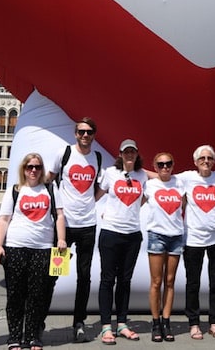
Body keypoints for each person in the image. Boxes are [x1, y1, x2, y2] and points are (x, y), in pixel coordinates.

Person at [0, 152, 67, 350]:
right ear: (24, 170)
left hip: (42, 249)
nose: (33, 171)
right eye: (29, 167)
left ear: (42, 170)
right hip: (16, 247)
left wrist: (61, 239)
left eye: (37, 167)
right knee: (16, 294)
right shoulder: (15, 190)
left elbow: (59, 215)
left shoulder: (51, 188)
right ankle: (15, 336)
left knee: (38, 294)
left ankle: (33, 335)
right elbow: (4, 219)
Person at [53, 117, 105, 343]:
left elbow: (101, 186)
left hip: (87, 226)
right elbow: (49, 180)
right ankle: (39, 321)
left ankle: (79, 323)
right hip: (65, 227)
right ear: (75, 134)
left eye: (89, 132)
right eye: (82, 132)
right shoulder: (64, 154)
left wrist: (90, 202)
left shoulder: (97, 157)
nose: (85, 135)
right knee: (55, 273)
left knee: (84, 276)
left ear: (94, 135)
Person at [179, 144, 215, 340]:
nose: (206, 161)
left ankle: (214, 322)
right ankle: (194, 323)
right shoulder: (187, 177)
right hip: (193, 239)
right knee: (192, 283)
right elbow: (163, 177)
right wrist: (138, 169)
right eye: (202, 158)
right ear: (195, 162)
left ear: (214, 161)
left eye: (209, 158)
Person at [97, 139, 148, 344]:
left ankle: (122, 323)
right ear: (120, 154)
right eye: (126, 152)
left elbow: (144, 197)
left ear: (136, 155)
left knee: (125, 281)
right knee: (107, 279)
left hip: (133, 235)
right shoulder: (110, 173)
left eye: (132, 152)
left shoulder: (142, 175)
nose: (129, 155)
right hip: (110, 232)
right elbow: (97, 195)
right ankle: (106, 326)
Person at [144, 151, 185, 342]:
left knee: (170, 281)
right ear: (155, 167)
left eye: (168, 163)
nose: (165, 167)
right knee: (156, 281)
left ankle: (166, 321)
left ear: (173, 165)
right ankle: (155, 323)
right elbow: (136, 202)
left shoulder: (180, 182)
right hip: (156, 235)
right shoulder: (150, 185)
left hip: (176, 236)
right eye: (160, 164)